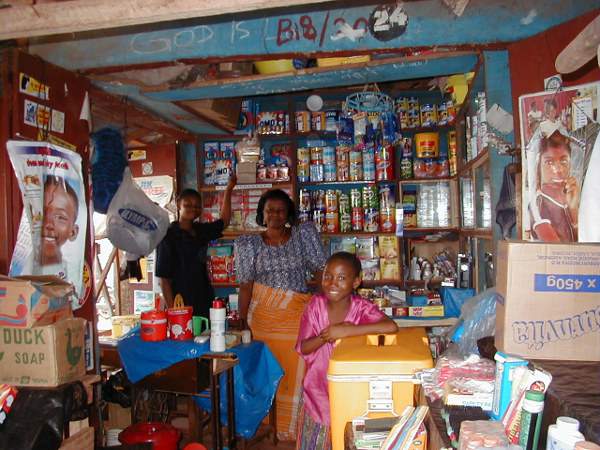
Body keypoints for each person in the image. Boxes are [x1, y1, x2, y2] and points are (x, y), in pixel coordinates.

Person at [234, 189, 326, 441]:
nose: (274, 214)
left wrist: (323, 305)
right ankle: (267, 422)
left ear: (288, 214)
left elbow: (321, 272)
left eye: (280, 210)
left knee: (298, 372)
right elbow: (245, 286)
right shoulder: (247, 244)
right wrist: (244, 323)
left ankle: (293, 426)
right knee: (266, 373)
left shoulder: (302, 236)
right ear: (262, 213)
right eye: (270, 210)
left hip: (297, 318)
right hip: (262, 321)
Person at [295, 252, 398, 450]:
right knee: (316, 442)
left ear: (356, 282)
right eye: (328, 276)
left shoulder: (362, 308)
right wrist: (327, 335)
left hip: (353, 390)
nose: (332, 283)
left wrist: (349, 330)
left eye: (342, 278)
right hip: (317, 391)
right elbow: (304, 347)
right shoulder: (315, 306)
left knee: (348, 440)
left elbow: (390, 326)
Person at [156, 175, 235, 317]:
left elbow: (224, 221)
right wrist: (174, 313)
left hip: (203, 299)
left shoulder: (200, 231)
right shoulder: (168, 236)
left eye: (197, 206)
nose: (193, 209)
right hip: (181, 302)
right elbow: (164, 280)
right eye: (188, 205)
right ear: (178, 204)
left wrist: (229, 189)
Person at [530, 131, 579, 242]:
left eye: (564, 161)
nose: (558, 170)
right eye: (549, 162)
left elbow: (584, 242)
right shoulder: (538, 205)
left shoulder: (569, 199)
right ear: (538, 167)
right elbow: (557, 253)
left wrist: (573, 209)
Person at [40, 175, 80, 279]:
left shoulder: (73, 275)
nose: (49, 224)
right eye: (42, 213)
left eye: (60, 217)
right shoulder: (20, 267)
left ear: (73, 232)